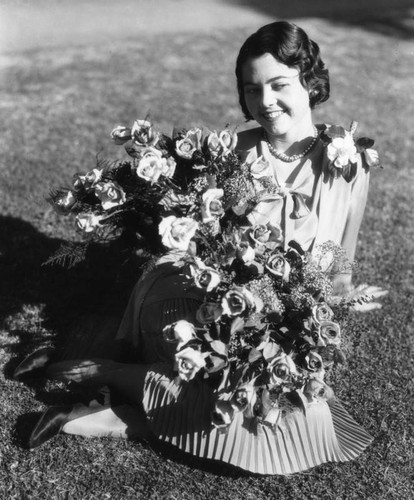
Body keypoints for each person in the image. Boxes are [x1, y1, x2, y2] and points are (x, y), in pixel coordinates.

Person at [14, 21, 386, 475]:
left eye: (279, 85)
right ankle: (120, 377)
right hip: (197, 296)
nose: (265, 102)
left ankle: (120, 398)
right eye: (252, 90)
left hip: (276, 313)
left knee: (299, 416)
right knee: (224, 377)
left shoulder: (349, 163)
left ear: (310, 81)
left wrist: (308, 325)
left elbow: (340, 269)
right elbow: (196, 245)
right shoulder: (233, 153)